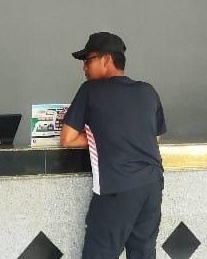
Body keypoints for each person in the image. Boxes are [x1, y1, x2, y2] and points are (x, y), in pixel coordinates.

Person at [60, 32, 167, 259]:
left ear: (106, 60)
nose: (84, 67)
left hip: (117, 187)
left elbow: (67, 138)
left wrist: (98, 136)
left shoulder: (91, 91)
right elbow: (154, 138)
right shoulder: (147, 91)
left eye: (88, 60)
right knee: (143, 254)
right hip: (152, 186)